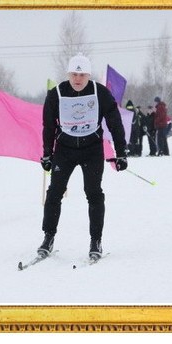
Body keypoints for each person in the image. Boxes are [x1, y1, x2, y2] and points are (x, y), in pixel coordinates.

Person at [38, 53, 128, 260]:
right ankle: (48, 237)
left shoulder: (100, 93)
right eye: (74, 74)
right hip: (65, 150)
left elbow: (115, 123)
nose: (78, 79)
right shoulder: (56, 94)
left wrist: (121, 152)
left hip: (92, 149)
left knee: (94, 193)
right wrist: (46, 154)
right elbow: (48, 126)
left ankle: (96, 241)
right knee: (54, 193)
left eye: (82, 74)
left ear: (89, 75)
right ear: (68, 74)